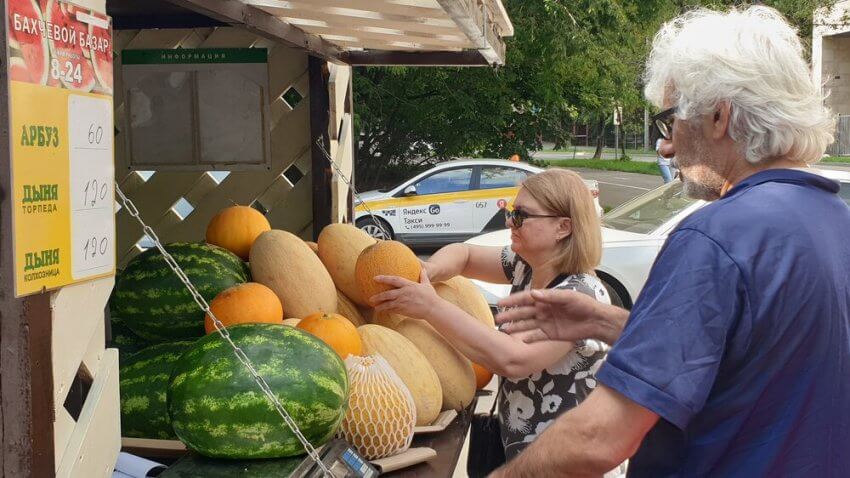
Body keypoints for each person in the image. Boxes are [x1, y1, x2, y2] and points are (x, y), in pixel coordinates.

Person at [490, 6, 850, 477]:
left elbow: (599, 439)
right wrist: (610, 322)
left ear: (719, 116)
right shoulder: (837, 220)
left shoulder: (715, 237)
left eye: (667, 121)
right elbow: (749, 359)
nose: (664, 146)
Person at [368, 169, 618, 470]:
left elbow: (513, 358)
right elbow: (464, 255)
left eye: (522, 216)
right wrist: (428, 272)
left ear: (563, 227)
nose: (510, 221)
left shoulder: (581, 296)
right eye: (511, 211)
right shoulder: (526, 265)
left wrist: (430, 307)